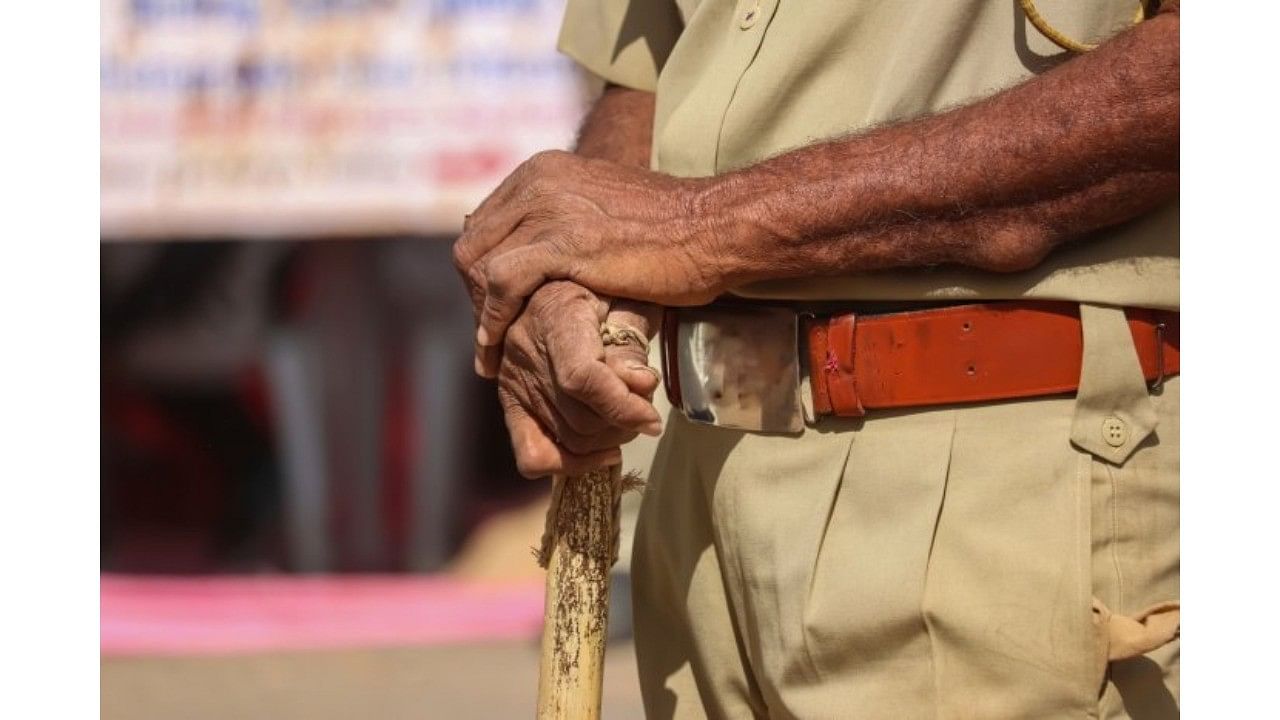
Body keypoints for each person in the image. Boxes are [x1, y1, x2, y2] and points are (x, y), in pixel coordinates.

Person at [454, 0, 1180, 717]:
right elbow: (648, 68)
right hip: (699, 494)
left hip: (1005, 479)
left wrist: (697, 229)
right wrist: (578, 276)